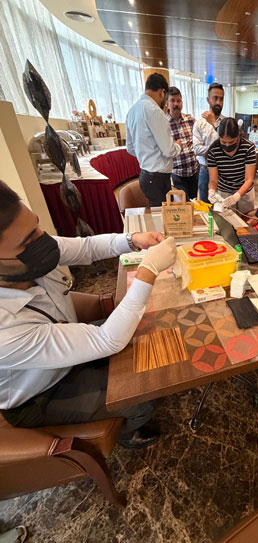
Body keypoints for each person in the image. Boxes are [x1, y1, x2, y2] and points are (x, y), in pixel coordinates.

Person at [0, 181, 178, 449]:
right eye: (29, 239)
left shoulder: (29, 254)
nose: (43, 238)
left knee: (151, 335)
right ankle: (127, 433)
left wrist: (133, 240)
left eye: (36, 226)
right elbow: (106, 340)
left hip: (71, 345)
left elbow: (87, 248)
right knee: (148, 390)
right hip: (42, 393)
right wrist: (149, 269)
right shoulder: (4, 330)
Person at [126, 72, 181, 207]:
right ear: (162, 92)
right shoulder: (155, 111)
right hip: (158, 178)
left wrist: (146, 154)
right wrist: (178, 146)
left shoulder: (132, 111)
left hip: (145, 175)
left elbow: (130, 148)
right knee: (163, 215)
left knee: (158, 212)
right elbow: (168, 150)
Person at [207, 117, 256, 214]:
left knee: (245, 219)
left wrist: (237, 196)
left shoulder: (248, 148)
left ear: (238, 136)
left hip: (245, 192)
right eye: (223, 142)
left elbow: (249, 179)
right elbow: (213, 180)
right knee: (226, 219)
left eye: (231, 142)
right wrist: (212, 191)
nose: (227, 145)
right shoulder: (213, 150)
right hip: (224, 192)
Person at [193, 82, 225, 202]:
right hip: (205, 170)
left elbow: (229, 146)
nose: (218, 102)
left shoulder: (227, 123)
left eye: (221, 99)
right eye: (215, 98)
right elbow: (196, 149)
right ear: (208, 100)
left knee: (223, 206)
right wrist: (217, 148)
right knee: (205, 207)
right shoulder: (199, 123)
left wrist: (214, 123)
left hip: (223, 170)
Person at [166, 86, 199, 200]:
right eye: (172, 100)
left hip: (193, 171)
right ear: (167, 103)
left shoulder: (191, 120)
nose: (176, 104)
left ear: (182, 103)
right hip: (178, 174)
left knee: (194, 202)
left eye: (179, 101)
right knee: (184, 204)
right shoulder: (164, 124)